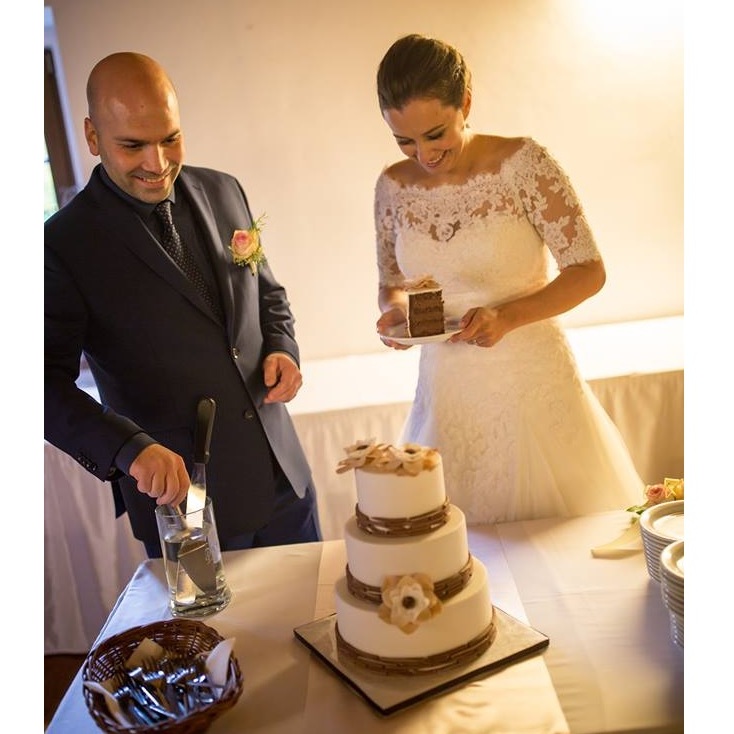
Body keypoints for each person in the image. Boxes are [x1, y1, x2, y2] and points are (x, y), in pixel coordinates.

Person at [45, 52, 321, 557]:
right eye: (133, 145)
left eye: (170, 138)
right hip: (186, 505)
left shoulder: (224, 189)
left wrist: (283, 347)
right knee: (215, 617)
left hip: (285, 479)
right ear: (92, 136)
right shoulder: (61, 245)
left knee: (316, 605)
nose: (157, 164)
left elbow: (267, 293)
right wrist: (128, 448)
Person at [373, 34, 644, 523]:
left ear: (465, 104)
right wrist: (395, 313)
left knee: (555, 544)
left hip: (530, 382)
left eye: (435, 134)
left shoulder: (523, 164)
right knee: (453, 547)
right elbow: (390, 282)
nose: (423, 154)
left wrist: (506, 317)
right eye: (404, 141)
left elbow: (589, 271)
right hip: (446, 393)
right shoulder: (392, 185)